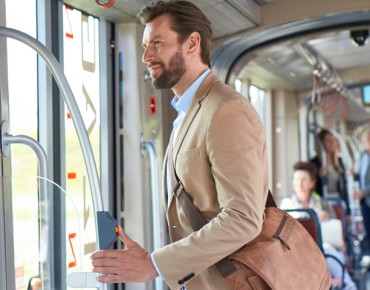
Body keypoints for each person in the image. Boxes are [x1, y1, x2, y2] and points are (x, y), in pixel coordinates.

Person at [91, 1, 269, 289]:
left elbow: (243, 218)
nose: (146, 56)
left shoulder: (226, 110)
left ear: (192, 43)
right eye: (145, 45)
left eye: (157, 43)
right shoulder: (187, 113)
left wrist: (153, 264)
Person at [280, 161, 357, 290]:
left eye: (304, 179)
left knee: (327, 250)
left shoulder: (323, 204)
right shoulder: (286, 206)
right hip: (295, 249)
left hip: (321, 248)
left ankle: (348, 286)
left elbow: (336, 231)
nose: (299, 183)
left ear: (312, 183)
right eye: (297, 179)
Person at [310, 129, 350, 214]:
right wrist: (318, 176)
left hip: (338, 201)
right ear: (321, 143)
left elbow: (344, 187)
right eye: (328, 141)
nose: (332, 143)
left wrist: (348, 211)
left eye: (333, 140)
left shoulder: (339, 161)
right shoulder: (315, 162)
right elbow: (311, 187)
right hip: (322, 202)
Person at [352, 129, 370, 253]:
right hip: (365, 201)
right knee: (368, 230)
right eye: (367, 139)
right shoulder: (363, 155)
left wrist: (364, 192)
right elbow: (362, 175)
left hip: (366, 195)